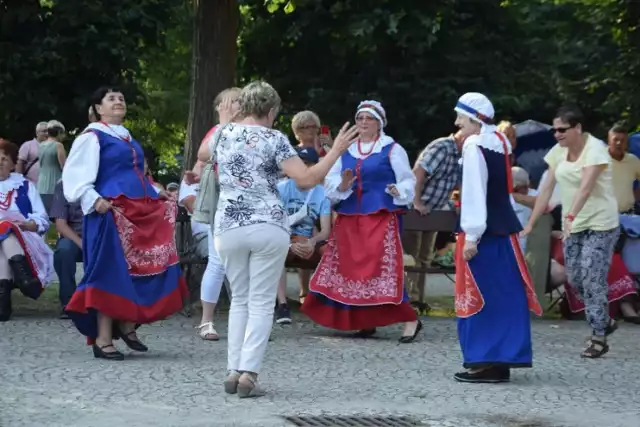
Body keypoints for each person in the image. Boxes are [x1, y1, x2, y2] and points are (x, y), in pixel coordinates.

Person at [197, 81, 358, 398]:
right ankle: (248, 373)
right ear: (271, 111)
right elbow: (307, 179)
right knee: (260, 302)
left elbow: (203, 153)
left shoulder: (220, 134)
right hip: (268, 224)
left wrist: (228, 120)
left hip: (227, 225)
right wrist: (336, 151)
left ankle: (232, 369)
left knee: (239, 299)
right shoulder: (275, 139)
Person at [62, 86, 187, 361]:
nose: (118, 101)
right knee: (109, 272)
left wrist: (157, 192)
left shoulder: (128, 137)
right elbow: (75, 176)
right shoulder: (91, 137)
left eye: (121, 98)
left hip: (135, 210)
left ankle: (126, 323)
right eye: (111, 99)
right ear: (98, 108)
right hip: (108, 212)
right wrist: (93, 199)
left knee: (134, 270)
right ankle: (103, 339)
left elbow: (135, 176)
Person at [302, 100, 422, 342]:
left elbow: (409, 181)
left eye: (369, 118)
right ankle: (365, 320)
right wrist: (343, 185)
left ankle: (410, 318)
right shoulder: (345, 149)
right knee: (352, 269)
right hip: (349, 218)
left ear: (380, 123)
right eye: (360, 118)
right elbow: (331, 182)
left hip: (381, 217)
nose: (363, 122)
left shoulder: (392, 149)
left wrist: (398, 191)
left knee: (382, 270)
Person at [453, 92, 541, 383]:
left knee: (480, 295)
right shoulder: (499, 142)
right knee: (504, 294)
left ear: (475, 119)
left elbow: (475, 192)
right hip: (503, 231)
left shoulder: (474, 144)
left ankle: (486, 361)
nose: (456, 122)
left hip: (485, 232)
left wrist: (472, 236)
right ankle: (502, 359)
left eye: (461, 117)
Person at [524, 105, 621, 359]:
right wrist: (531, 223)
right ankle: (605, 321)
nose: (557, 134)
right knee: (576, 278)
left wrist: (568, 217)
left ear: (577, 128)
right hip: (574, 225)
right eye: (554, 130)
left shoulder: (596, 150)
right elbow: (545, 189)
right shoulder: (559, 152)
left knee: (591, 274)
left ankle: (598, 336)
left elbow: (586, 188)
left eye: (562, 129)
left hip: (600, 223)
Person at [275, 146, 332, 324]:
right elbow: (274, 223)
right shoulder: (282, 188)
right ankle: (282, 304)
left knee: (331, 252)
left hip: (308, 240)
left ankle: (326, 303)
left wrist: (312, 242)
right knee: (276, 250)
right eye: (299, 163)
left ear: (315, 167)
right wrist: (290, 242)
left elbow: (325, 231)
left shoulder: (322, 194)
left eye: (307, 164)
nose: (302, 168)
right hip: (283, 236)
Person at [0, 140, 54, 321]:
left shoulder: (25, 186)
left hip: (23, 238)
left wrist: (31, 224)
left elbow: (42, 218)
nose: (0, 162)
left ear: (13, 164)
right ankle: (26, 279)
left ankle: (2, 305)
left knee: (7, 232)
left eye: (4, 159)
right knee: (4, 232)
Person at [50, 180, 84, 319]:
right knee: (64, 250)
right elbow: (61, 225)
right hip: (74, 236)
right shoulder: (65, 184)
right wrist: (82, 244)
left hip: (101, 236)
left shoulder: (105, 180)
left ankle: (96, 300)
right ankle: (69, 302)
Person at [607, 123, 640, 214]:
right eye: (615, 140)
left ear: (627, 143)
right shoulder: (598, 160)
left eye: (623, 140)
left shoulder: (633, 160)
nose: (619, 143)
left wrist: (635, 196)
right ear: (609, 141)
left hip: (628, 214)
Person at [37, 120, 67, 212]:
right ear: (58, 133)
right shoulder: (58, 146)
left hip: (41, 184)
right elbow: (64, 167)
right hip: (54, 185)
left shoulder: (41, 145)